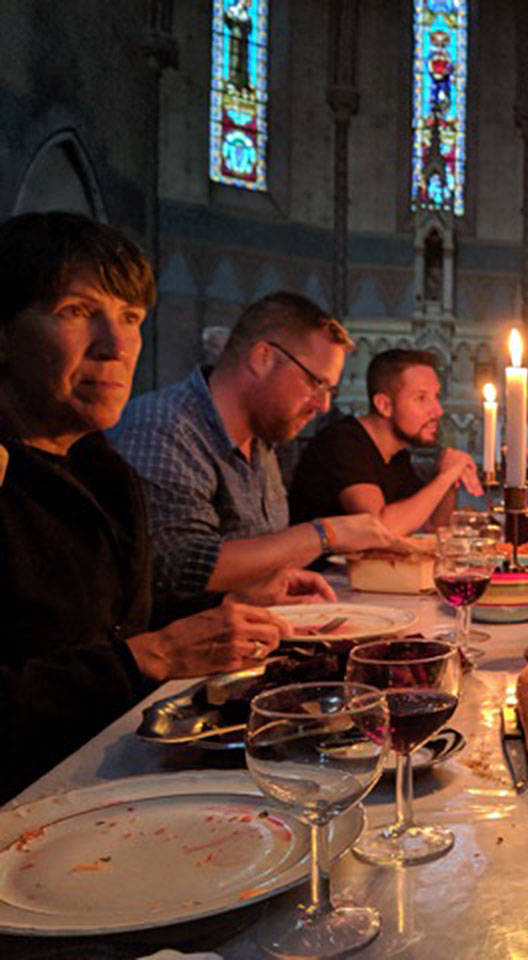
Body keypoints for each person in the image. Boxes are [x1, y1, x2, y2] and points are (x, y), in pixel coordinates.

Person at [0, 212, 297, 800]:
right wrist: (147, 657)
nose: (116, 347)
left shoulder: (101, 467)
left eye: (131, 318)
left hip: (115, 782)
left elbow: (113, 623)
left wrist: (224, 609)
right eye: (76, 311)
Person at [111, 291, 393, 621]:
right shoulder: (164, 426)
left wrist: (279, 585)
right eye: (316, 383)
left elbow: (258, 565)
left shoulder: (261, 438)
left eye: (330, 392)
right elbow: (183, 565)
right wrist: (325, 534)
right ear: (263, 358)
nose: (323, 405)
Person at [289, 348, 483, 534]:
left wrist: (449, 479)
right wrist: (446, 476)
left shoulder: (398, 457)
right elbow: (380, 528)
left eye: (436, 397)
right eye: (421, 398)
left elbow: (432, 527)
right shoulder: (343, 442)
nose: (438, 411)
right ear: (384, 405)